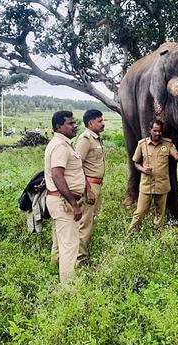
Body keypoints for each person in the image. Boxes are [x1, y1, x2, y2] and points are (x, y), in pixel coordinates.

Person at [44, 110, 85, 283]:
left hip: (60, 200)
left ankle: (55, 269)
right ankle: (68, 287)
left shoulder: (64, 144)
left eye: (74, 122)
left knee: (60, 241)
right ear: (59, 126)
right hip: (63, 202)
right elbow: (57, 176)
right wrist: (73, 204)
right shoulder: (60, 146)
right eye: (70, 123)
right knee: (70, 244)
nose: (74, 125)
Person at [128, 120, 178, 232]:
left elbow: (176, 157)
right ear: (150, 130)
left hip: (162, 185)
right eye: (155, 131)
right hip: (146, 185)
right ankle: (130, 234)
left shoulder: (168, 144)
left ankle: (157, 234)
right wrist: (143, 169)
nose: (157, 133)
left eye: (159, 131)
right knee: (140, 212)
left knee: (160, 213)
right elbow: (135, 162)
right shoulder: (142, 144)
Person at [75, 109, 106, 266]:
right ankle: (80, 260)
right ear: (90, 123)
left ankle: (83, 255)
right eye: (99, 121)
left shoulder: (96, 138)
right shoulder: (85, 139)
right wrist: (88, 190)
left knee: (91, 222)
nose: (103, 123)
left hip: (96, 185)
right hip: (89, 186)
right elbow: (77, 167)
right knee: (85, 224)